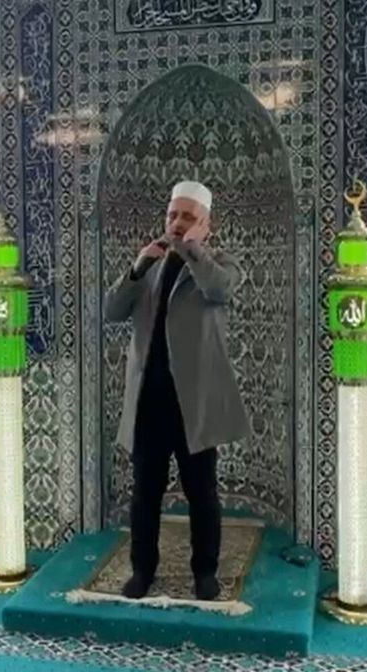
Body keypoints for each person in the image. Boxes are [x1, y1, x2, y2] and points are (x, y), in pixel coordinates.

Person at [104, 180, 253, 601]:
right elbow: (112, 310)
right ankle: (142, 571)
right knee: (145, 493)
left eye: (188, 217)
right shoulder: (149, 265)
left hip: (193, 404)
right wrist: (136, 269)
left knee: (201, 493)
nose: (177, 223)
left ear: (207, 224)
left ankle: (205, 573)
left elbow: (219, 289)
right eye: (173, 214)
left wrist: (192, 250)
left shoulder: (219, 263)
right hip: (149, 402)